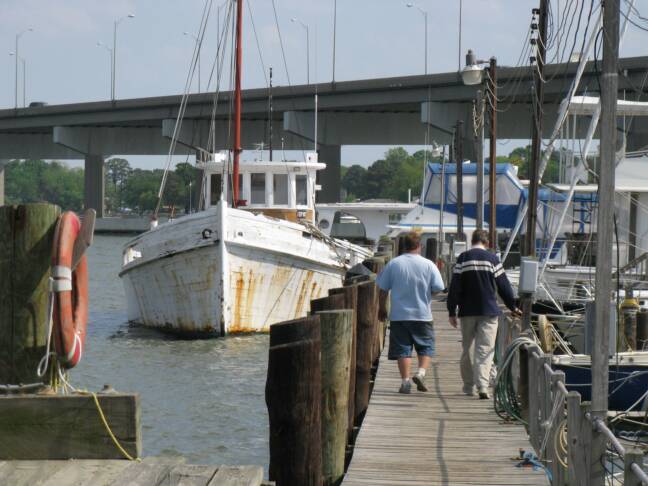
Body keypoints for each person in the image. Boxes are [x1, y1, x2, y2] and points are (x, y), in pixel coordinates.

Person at [446, 229, 520, 400]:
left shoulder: (463, 258)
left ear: (473, 241)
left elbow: (454, 287)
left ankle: (468, 385)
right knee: (485, 349)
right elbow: (504, 286)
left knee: (468, 349)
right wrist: (513, 306)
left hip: (467, 311)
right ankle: (483, 386)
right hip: (489, 311)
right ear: (486, 243)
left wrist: (452, 311)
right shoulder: (493, 259)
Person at [377, 231, 445, 394]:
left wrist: (382, 307)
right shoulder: (429, 265)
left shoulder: (394, 264)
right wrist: (426, 293)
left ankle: (405, 381)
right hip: (422, 315)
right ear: (419, 246)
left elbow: (383, 289)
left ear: (403, 246)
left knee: (402, 349)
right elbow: (438, 289)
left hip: (399, 315)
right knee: (425, 346)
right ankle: (421, 373)